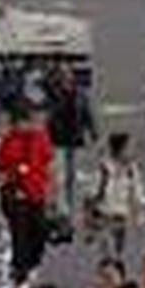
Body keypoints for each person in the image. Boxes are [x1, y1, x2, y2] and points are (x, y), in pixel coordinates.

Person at [0, 101, 55, 285]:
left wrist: (52, 193)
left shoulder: (40, 138)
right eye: (18, 124)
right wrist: (7, 182)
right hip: (15, 193)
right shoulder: (9, 140)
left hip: (36, 192)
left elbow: (49, 164)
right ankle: (20, 270)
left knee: (41, 230)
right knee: (19, 232)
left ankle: (32, 262)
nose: (23, 127)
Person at [45, 64, 97, 220]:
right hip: (57, 139)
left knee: (72, 176)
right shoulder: (54, 93)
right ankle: (63, 209)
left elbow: (87, 113)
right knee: (60, 176)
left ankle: (70, 204)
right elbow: (46, 88)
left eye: (69, 74)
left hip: (75, 138)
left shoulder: (80, 94)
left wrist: (93, 131)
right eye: (63, 74)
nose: (67, 77)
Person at [86, 132, 144, 259]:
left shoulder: (132, 170)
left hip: (120, 218)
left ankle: (115, 265)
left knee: (118, 253)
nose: (133, 151)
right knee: (108, 255)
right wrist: (88, 221)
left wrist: (138, 214)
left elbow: (136, 193)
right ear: (119, 150)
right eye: (129, 148)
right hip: (104, 216)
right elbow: (91, 195)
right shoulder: (104, 170)